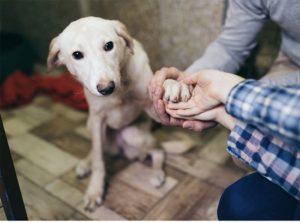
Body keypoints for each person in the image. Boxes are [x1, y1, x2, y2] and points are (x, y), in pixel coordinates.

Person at [148, 0, 300, 220]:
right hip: (293, 63)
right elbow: (230, 45)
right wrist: (189, 81)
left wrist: (234, 93)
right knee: (241, 158)